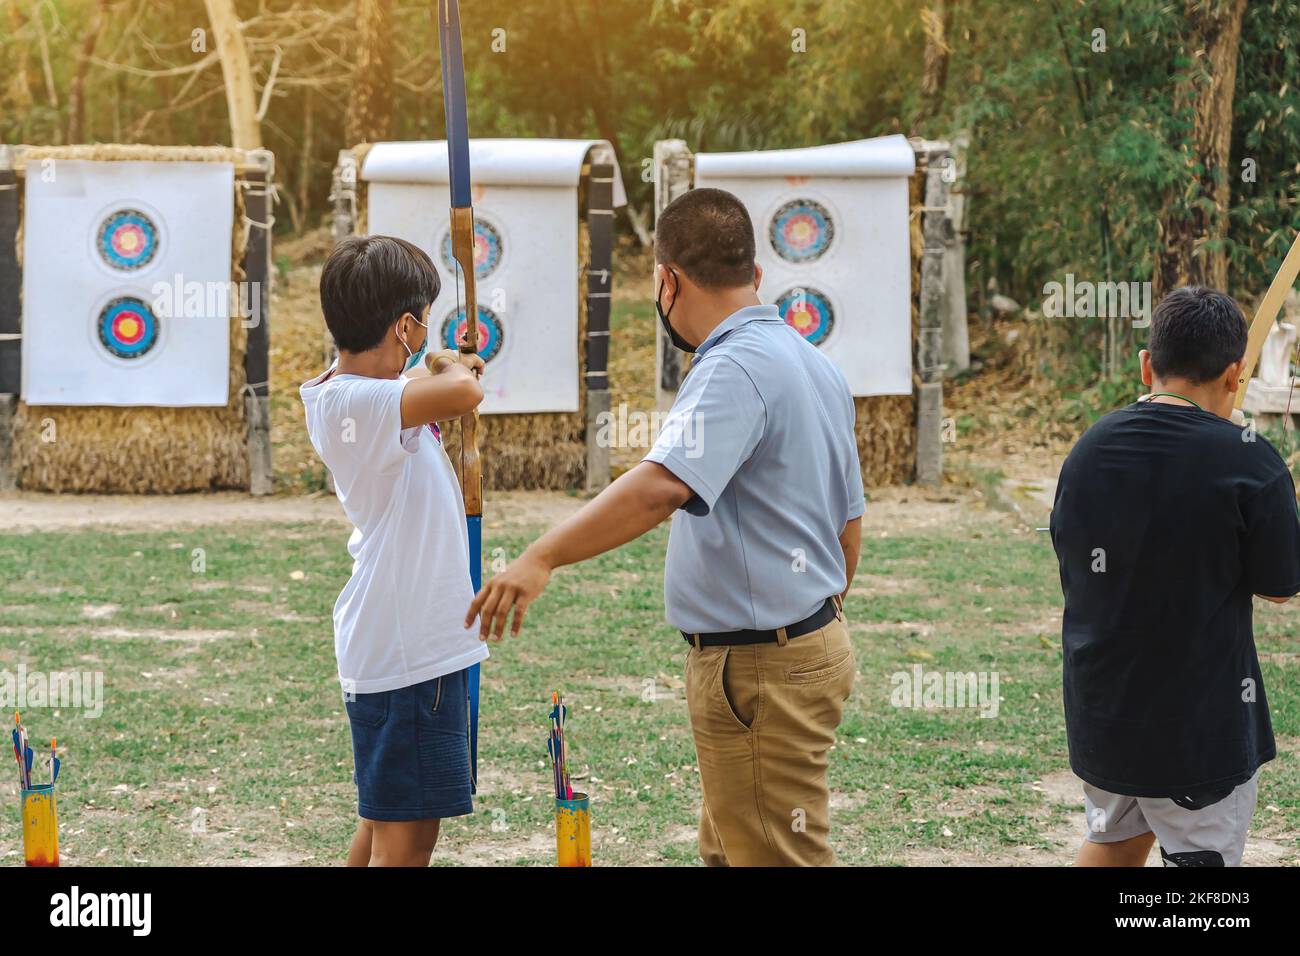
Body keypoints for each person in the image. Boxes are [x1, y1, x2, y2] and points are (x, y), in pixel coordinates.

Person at [467, 188, 864, 866]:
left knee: (773, 856)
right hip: (797, 643)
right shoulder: (813, 362)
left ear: (667, 280)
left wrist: (542, 555)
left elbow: (661, 486)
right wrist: (810, 620)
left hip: (762, 664)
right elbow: (848, 522)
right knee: (734, 849)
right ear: (758, 276)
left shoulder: (733, 366)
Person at [1051, 286, 1300, 867]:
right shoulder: (1250, 461)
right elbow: (1281, 586)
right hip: (1196, 728)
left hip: (1104, 710)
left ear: (1147, 364)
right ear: (1235, 373)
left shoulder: (1089, 448)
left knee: (1116, 840)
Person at [301, 235, 486, 866]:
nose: (427, 332)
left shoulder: (354, 392)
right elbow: (463, 394)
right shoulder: (359, 401)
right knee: (408, 838)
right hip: (408, 649)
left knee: (385, 819)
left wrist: (436, 367)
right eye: (422, 322)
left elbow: (440, 390)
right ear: (403, 325)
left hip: (401, 642)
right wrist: (448, 368)